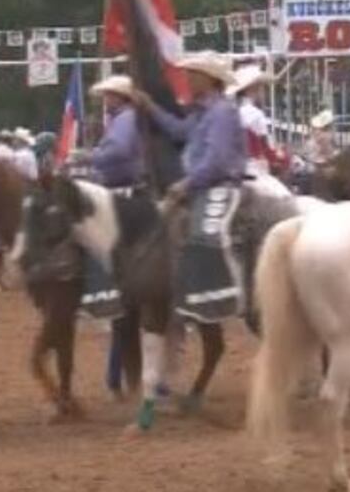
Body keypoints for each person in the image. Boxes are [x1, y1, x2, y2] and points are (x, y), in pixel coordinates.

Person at [84, 75, 146, 398]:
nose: (104, 98)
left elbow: (119, 152)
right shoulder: (122, 118)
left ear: (118, 96)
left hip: (122, 191)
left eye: (109, 94)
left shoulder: (125, 119)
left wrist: (91, 156)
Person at [140, 51, 246, 207]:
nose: (188, 79)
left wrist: (186, 184)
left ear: (209, 78)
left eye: (194, 74)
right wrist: (150, 107)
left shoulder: (221, 112)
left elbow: (217, 161)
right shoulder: (202, 112)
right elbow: (179, 131)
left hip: (217, 188)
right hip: (201, 186)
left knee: (204, 232)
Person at [227, 65, 289, 194]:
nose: (263, 92)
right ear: (252, 89)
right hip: (254, 168)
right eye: (261, 87)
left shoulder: (231, 111)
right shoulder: (256, 114)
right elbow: (265, 149)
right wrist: (282, 157)